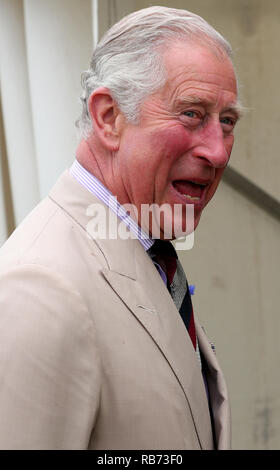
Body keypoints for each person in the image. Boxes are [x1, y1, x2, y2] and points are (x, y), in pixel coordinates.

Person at [0, 6, 241, 449]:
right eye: (192, 113)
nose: (219, 152)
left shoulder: (146, 251)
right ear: (109, 117)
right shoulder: (41, 286)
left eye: (227, 121)